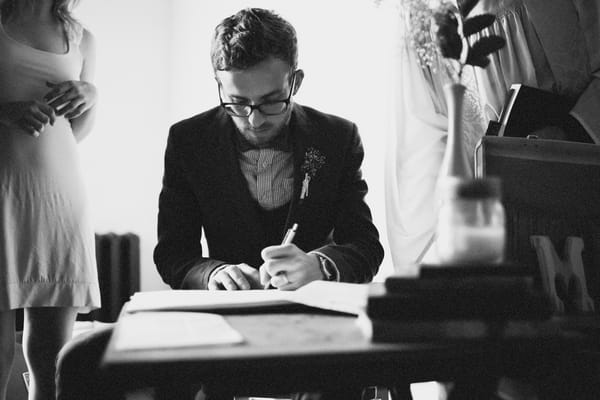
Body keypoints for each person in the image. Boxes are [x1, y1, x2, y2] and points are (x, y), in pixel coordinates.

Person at [55, 7, 384, 400]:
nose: (254, 119)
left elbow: (365, 247)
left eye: (272, 101)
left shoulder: (336, 138)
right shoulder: (189, 141)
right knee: (82, 359)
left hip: (315, 326)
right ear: (218, 85)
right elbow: (174, 254)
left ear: (295, 81)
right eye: (237, 102)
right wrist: (213, 273)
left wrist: (319, 265)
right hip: (220, 326)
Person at [0, 0, 100, 399]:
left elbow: (76, 133)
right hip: (4, 195)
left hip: (58, 198)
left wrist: (89, 96)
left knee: (52, 358)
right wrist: (5, 113)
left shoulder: (82, 38)